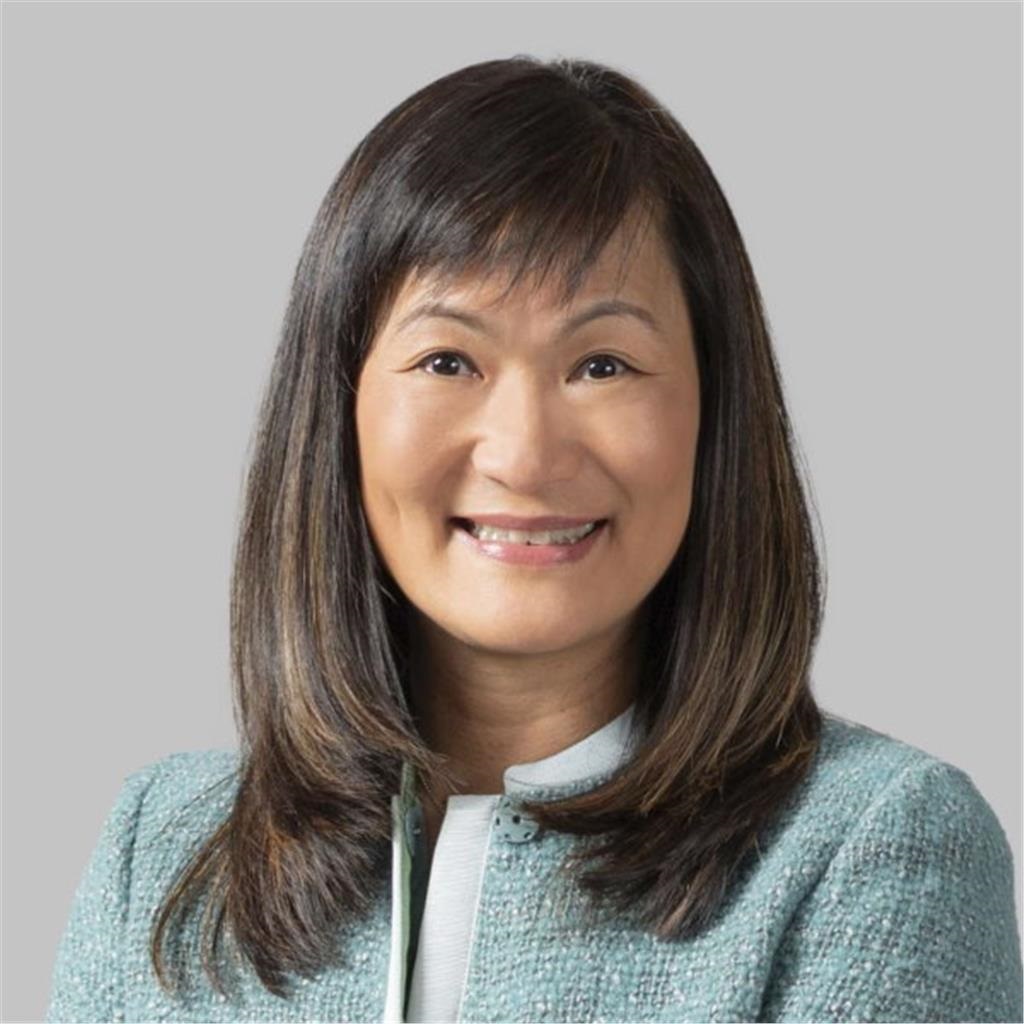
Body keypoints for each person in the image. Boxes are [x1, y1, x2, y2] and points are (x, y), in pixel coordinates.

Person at [45, 55, 1022, 1024]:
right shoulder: (164, 853)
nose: (523, 455)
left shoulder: (871, 849)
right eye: (446, 360)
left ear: (714, 412)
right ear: (338, 410)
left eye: (603, 364)